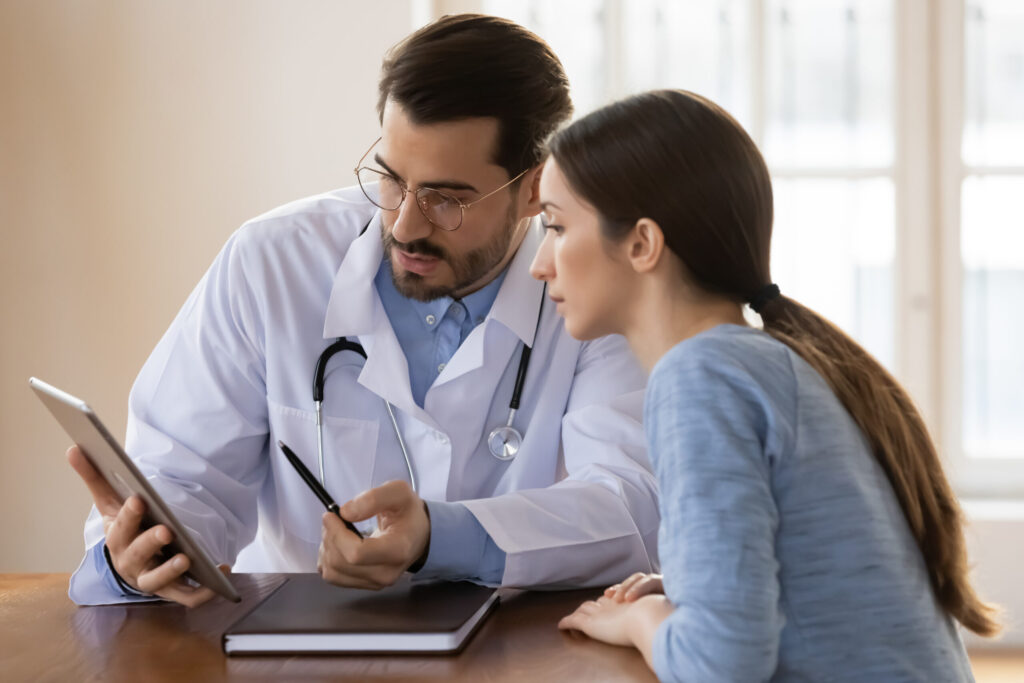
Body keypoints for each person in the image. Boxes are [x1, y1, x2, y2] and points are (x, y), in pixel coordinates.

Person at [67, 14, 658, 607]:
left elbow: (633, 503)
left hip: (518, 641)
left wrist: (439, 536)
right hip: (295, 640)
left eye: (446, 200)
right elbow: (183, 476)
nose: (404, 225)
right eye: (392, 180)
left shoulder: (598, 286)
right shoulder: (271, 262)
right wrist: (146, 551)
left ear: (534, 188)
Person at [533, 89, 997, 681]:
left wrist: (639, 619)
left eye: (556, 226)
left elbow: (719, 666)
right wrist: (690, 586)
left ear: (642, 244)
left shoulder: (699, 379)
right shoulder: (761, 362)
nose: (540, 263)